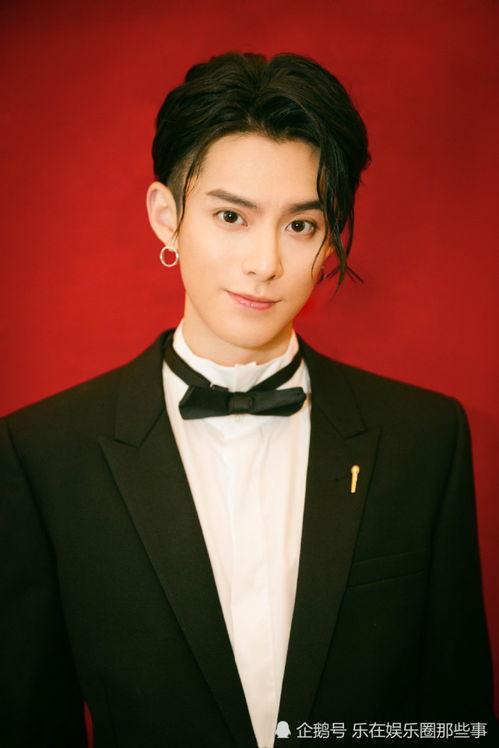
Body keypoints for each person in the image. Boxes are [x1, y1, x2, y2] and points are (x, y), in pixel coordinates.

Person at [0, 52, 496, 748]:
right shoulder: (44, 455)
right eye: (231, 216)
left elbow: (454, 720)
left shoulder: (425, 439)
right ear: (166, 217)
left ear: (330, 239)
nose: (265, 263)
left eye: (301, 225)